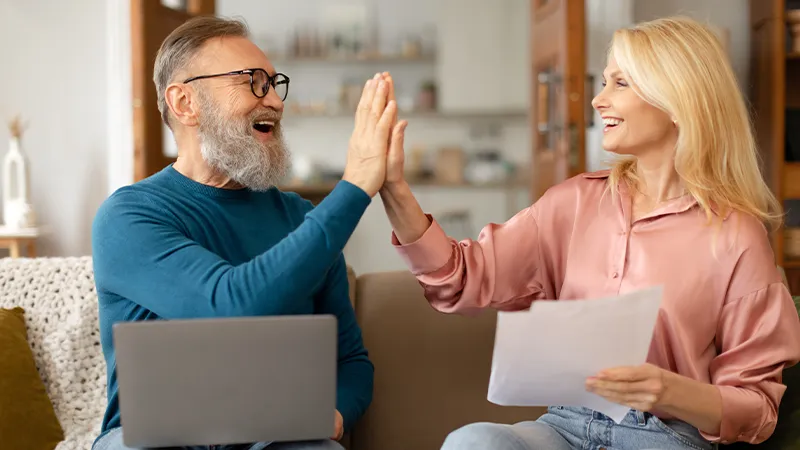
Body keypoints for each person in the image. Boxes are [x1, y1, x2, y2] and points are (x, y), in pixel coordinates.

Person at [378, 16, 800, 450]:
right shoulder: (573, 203)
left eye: (620, 83)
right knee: (474, 442)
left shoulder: (735, 236)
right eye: (604, 82)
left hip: (664, 436)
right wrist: (394, 190)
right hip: (565, 425)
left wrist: (669, 391)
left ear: (676, 100)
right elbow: (461, 276)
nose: (597, 100)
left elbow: (758, 409)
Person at [91, 16, 402, 450]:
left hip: (273, 439)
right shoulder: (129, 217)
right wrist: (354, 188)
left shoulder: (298, 218)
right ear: (184, 103)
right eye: (253, 82)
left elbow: (349, 361)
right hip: (154, 440)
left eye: (275, 84)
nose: (274, 100)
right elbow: (230, 304)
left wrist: (332, 415)